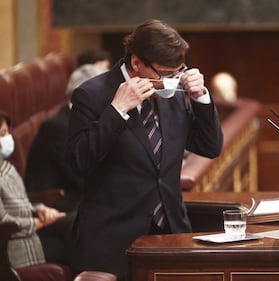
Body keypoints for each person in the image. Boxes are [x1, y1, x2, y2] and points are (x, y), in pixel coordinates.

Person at [65, 19, 223, 279]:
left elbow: (210, 146)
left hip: (172, 234)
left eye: (178, 71)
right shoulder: (91, 95)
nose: (172, 80)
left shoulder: (172, 93)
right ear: (136, 63)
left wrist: (201, 97)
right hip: (112, 243)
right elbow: (77, 162)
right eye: (165, 73)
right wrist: (117, 111)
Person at [25, 57, 109, 213]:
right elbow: (78, 174)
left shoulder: (79, 116)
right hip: (57, 203)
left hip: (79, 196)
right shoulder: (57, 127)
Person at [0, 110, 66, 268]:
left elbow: (20, 202)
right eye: (2, 134)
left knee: (79, 222)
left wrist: (39, 209)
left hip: (29, 232)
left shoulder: (5, 165)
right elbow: (3, 222)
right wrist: (38, 222)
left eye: (7, 133)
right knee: (78, 241)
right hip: (15, 245)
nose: (8, 138)